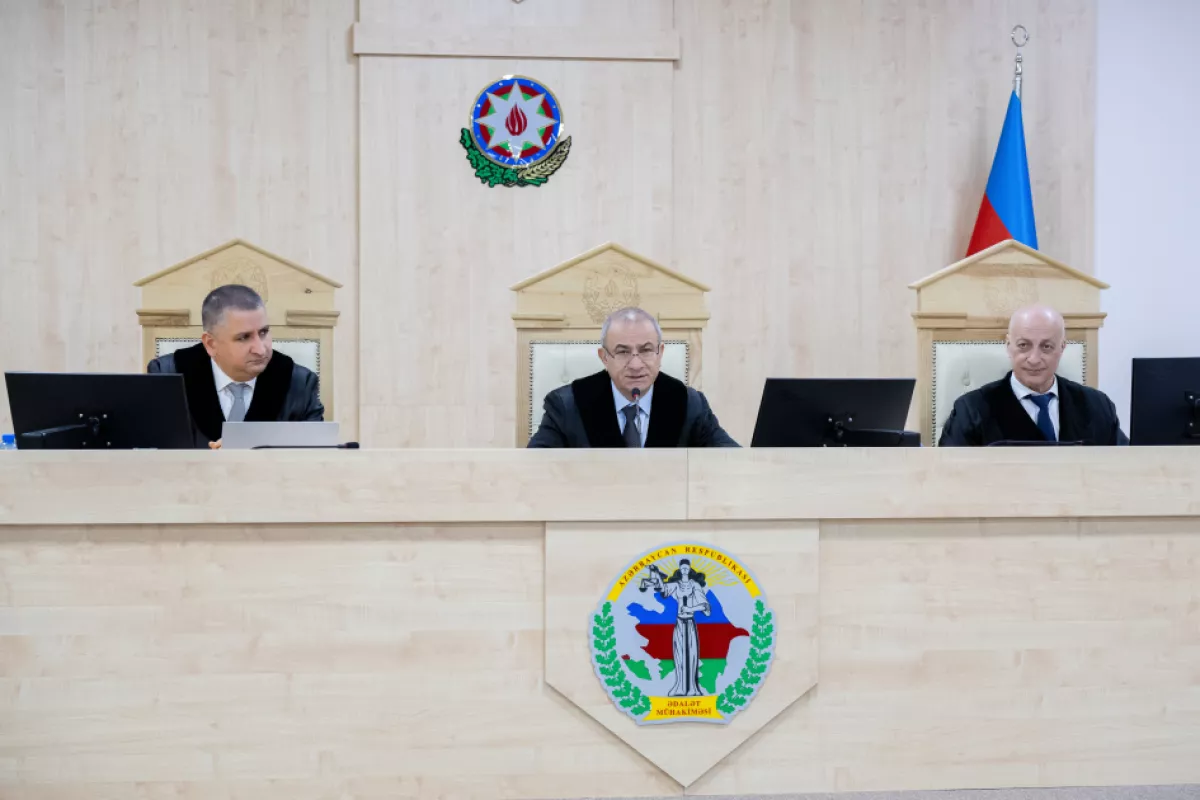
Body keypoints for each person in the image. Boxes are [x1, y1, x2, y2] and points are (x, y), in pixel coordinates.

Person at [527, 307, 738, 448]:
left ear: (660, 353)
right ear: (604, 357)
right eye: (622, 352)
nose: (636, 365)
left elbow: (730, 459)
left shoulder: (690, 404)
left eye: (646, 350)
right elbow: (535, 467)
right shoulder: (567, 406)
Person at [147, 284, 324, 448]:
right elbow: (150, 451)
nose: (260, 350)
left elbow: (316, 458)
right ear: (211, 344)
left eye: (263, 332)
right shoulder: (167, 376)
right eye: (244, 337)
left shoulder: (300, 383)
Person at [939, 304, 1127, 446]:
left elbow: (1126, 467)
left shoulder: (1098, 406)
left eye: (1046, 347)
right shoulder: (972, 410)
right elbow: (948, 475)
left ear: (1062, 347)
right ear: (1008, 345)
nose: (1034, 359)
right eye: (1023, 345)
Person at [644, 560, 710, 697]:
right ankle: (680, 687)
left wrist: (690, 608)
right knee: (679, 655)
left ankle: (692, 688)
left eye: (686, 567)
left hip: (690, 623)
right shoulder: (676, 584)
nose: (684, 570)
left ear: (689, 569)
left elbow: (705, 606)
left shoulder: (694, 585)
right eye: (682, 567)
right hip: (679, 622)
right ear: (679, 569)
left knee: (691, 655)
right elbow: (663, 589)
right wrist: (656, 573)